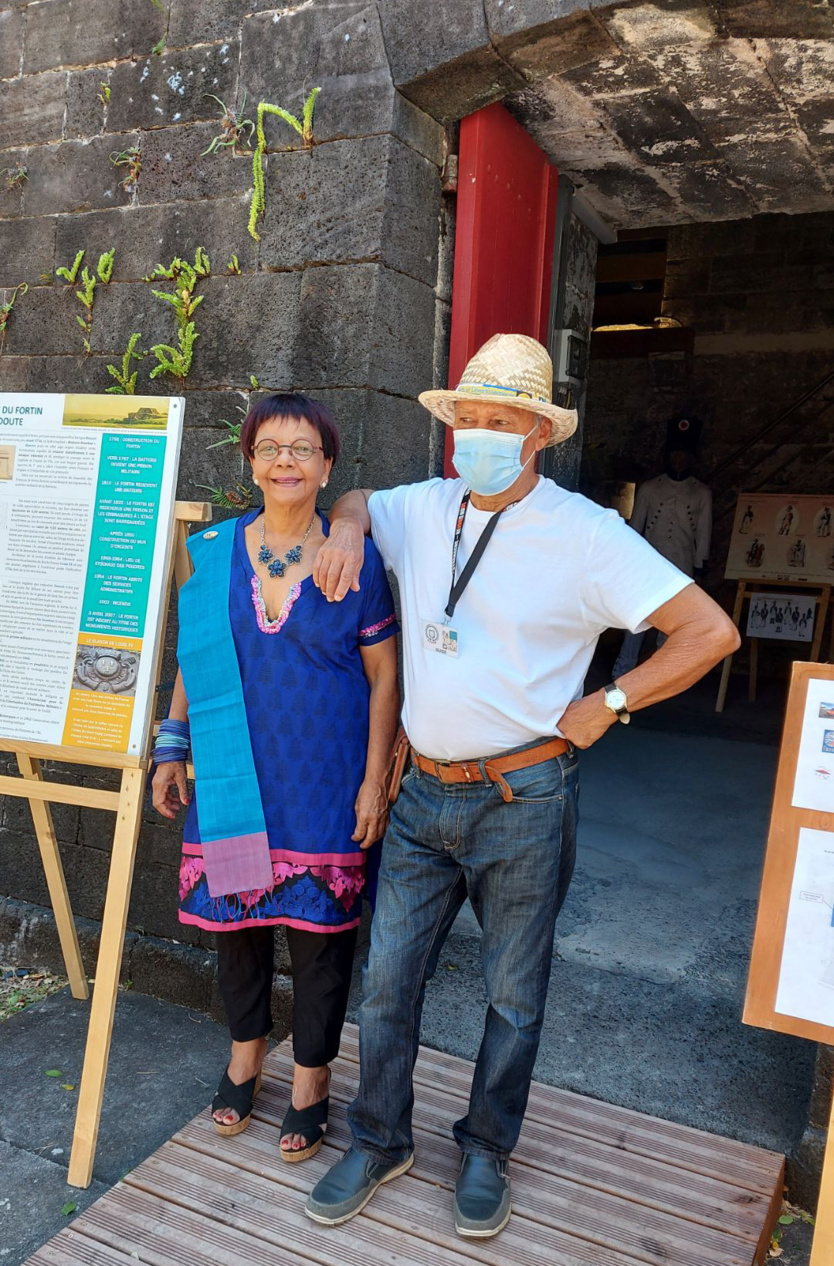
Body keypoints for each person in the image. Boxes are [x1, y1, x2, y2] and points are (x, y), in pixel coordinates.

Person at [304, 333, 739, 1237]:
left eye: (500, 422)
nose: (479, 436)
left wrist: (610, 702)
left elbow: (709, 632)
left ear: (538, 433)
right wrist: (346, 524)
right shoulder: (424, 506)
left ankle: (487, 1148)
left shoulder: (588, 535)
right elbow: (358, 500)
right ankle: (379, 1138)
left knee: (513, 995)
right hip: (423, 794)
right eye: (467, 419)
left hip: (524, 798)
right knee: (386, 985)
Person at [151, 393, 399, 1162]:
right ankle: (245, 1058)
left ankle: (312, 1079)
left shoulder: (355, 560)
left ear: (327, 466)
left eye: (302, 449)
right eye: (269, 448)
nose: (285, 461)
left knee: (322, 940)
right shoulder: (213, 550)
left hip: (325, 781)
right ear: (251, 462)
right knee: (238, 931)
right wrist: (171, 744)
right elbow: (196, 655)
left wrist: (374, 782)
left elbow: (385, 678)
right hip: (232, 771)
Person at [612, 417, 712, 679]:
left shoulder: (701, 492)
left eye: (684, 453)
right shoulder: (650, 488)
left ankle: (660, 678)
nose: (679, 458)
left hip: (682, 564)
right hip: (648, 562)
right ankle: (622, 672)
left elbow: (703, 533)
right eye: (675, 453)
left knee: (671, 626)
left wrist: (700, 567)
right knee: (636, 620)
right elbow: (635, 528)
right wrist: (629, 561)